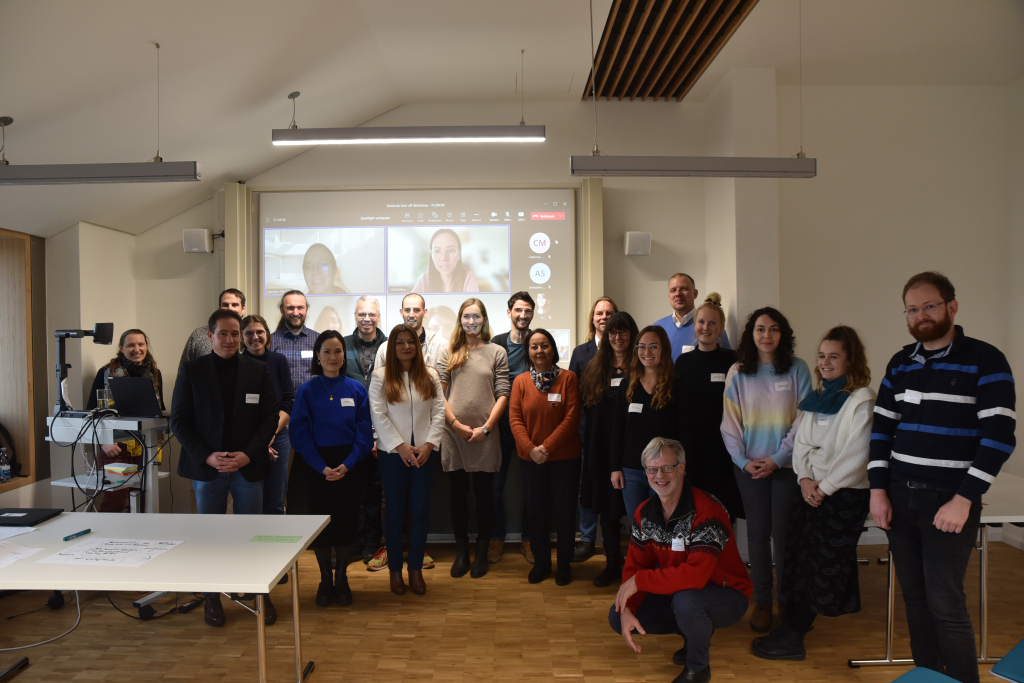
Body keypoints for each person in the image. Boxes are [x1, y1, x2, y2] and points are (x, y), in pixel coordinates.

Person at [868, 272, 1015, 683]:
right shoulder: (900, 364)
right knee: (914, 600)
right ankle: (930, 678)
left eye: (929, 306)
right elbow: (881, 432)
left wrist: (965, 498)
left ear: (952, 306)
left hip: (947, 503)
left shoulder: (986, 361)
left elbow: (999, 437)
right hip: (899, 498)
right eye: (912, 309)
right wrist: (878, 491)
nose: (921, 315)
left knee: (946, 604)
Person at [752, 325, 875, 660]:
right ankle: (791, 626)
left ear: (851, 360)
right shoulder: (816, 398)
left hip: (842, 497)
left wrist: (825, 487)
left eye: (833, 356)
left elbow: (858, 456)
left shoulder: (861, 401)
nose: (824, 363)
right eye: (821, 356)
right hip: (808, 491)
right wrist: (806, 480)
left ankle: (794, 640)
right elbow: (802, 443)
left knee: (818, 567)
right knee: (794, 560)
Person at [608, 438, 752, 683]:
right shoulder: (644, 512)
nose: (659, 476)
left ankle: (698, 668)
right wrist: (628, 606)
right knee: (617, 613)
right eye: (652, 469)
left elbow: (696, 575)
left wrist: (639, 581)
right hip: (681, 590)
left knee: (688, 602)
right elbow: (635, 565)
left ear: (682, 468)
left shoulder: (708, 511)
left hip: (728, 594)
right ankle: (692, 634)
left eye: (667, 468)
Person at [170, 308, 279, 628]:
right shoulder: (193, 370)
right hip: (209, 468)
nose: (230, 339)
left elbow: (269, 419)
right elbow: (179, 420)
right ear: (210, 336)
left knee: (252, 535)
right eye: (224, 334)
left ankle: (260, 593)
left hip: (247, 466)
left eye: (236, 334)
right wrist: (207, 456)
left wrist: (247, 454)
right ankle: (212, 597)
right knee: (212, 537)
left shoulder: (258, 370)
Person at [721, 307, 811, 633]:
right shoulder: (737, 372)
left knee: (784, 536)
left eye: (774, 329)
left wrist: (777, 457)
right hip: (749, 467)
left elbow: (804, 420)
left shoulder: (797, 369)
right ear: (751, 334)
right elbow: (729, 425)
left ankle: (786, 599)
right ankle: (763, 601)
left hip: (786, 466)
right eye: (760, 329)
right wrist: (745, 462)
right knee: (758, 534)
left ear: (782, 334)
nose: (767, 335)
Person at [289, 330, 374, 607]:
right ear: (317, 356)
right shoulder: (307, 390)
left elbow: (363, 433)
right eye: (327, 351)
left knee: (347, 522)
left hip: (349, 465)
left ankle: (342, 577)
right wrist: (322, 467)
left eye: (338, 351)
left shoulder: (356, 389)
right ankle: (325, 579)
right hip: (317, 466)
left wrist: (347, 465)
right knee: (322, 525)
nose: (333, 357)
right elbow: (299, 433)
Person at [369, 325, 445, 596]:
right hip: (393, 455)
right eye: (399, 342)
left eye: (410, 342)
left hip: (424, 454)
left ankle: (415, 570)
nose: (405, 347)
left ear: (417, 345)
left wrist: (429, 445)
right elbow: (378, 414)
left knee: (420, 511)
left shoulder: (431, 375)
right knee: (394, 512)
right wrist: (400, 446)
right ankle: (395, 573)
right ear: (392, 347)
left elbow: (439, 413)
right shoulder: (380, 377)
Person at [437, 298, 510, 579]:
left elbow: (503, 393)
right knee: (457, 496)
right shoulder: (449, 351)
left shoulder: (497, 352)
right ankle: (461, 553)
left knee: (484, 496)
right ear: (460, 320)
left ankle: (481, 553)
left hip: (485, 436)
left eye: (476, 316)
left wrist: (486, 428)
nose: (471, 321)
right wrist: (456, 425)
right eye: (466, 317)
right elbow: (438, 394)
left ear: (484, 319)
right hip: (453, 434)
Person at [509, 329, 581, 585]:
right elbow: (515, 419)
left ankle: (564, 565)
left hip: (564, 459)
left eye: (545, 345)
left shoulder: (568, 378)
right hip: (531, 461)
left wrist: (546, 448)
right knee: (536, 513)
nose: (539, 351)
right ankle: (541, 564)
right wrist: (531, 449)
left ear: (553, 349)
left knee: (565, 513)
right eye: (534, 346)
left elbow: (571, 418)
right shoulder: (520, 382)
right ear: (528, 352)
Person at [672, 294, 743, 520]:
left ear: (721, 328)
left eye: (712, 323)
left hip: (725, 448)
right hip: (691, 449)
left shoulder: (732, 360)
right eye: (702, 322)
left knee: (724, 508)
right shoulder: (683, 363)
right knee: (694, 507)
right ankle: (697, 555)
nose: (706, 327)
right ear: (695, 326)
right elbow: (676, 407)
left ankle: (724, 555)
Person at [580, 312, 638, 587]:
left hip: (632, 446)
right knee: (607, 508)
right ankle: (613, 562)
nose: (617, 338)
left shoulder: (641, 365)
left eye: (623, 332)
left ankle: (640, 565)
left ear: (632, 334)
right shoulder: (595, 367)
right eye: (613, 333)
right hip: (601, 448)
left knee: (639, 510)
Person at [610, 325, 684, 522]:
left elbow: (684, 433)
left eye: (653, 347)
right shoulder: (627, 386)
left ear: (664, 350)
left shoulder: (676, 387)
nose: (647, 352)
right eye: (641, 347)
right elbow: (617, 430)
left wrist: (681, 468)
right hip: (632, 470)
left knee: (663, 526)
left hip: (665, 471)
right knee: (638, 528)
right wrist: (615, 468)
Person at [86, 329, 165, 513]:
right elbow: (92, 411)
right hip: (114, 446)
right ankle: (107, 541)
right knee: (115, 501)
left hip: (146, 445)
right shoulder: (106, 372)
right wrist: (105, 441)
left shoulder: (154, 373)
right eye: (131, 345)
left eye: (141, 344)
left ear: (146, 346)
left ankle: (138, 540)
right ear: (121, 348)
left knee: (142, 500)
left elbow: (158, 409)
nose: (136, 349)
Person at [568, 296, 618, 563]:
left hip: (617, 435)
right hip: (587, 434)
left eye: (609, 313)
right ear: (593, 318)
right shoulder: (581, 353)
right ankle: (587, 540)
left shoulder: (625, 352)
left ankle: (616, 547)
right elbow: (573, 395)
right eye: (599, 313)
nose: (604, 317)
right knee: (586, 489)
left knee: (614, 489)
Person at [489, 292, 536, 564]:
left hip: (531, 429)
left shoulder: (538, 342)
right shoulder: (496, 344)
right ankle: (497, 538)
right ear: (509, 313)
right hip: (500, 428)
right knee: (496, 488)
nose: (523, 315)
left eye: (528, 311)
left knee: (531, 487)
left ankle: (528, 539)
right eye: (518, 310)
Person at [343, 295, 388, 565]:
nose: (367, 319)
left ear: (379, 317)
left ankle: (372, 542)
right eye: (362, 314)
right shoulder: (343, 345)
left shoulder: (389, 345)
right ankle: (352, 542)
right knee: (351, 491)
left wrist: (376, 434)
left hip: (382, 430)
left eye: (371, 314)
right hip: (349, 431)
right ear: (356, 316)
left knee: (374, 490)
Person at [240, 315, 295, 517]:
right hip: (247, 440)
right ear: (241, 337)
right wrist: (260, 441)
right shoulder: (237, 363)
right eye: (249, 333)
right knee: (250, 500)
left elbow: (288, 400)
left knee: (276, 499)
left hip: (278, 437)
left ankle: (275, 546)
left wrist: (270, 434)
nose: (255, 337)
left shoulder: (278, 361)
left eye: (260, 332)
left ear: (267, 334)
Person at [271, 290, 319, 515]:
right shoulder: (271, 341)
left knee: (309, 477)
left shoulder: (318, 340)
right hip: (281, 421)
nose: (296, 312)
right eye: (290, 308)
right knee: (281, 479)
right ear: (282, 310)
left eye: (300, 307)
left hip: (313, 420)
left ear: (306, 309)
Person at [654, 273, 730, 362]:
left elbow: (727, 362)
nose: (678, 293)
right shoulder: (658, 327)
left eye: (684, 289)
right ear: (669, 296)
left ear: (695, 293)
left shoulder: (710, 328)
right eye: (673, 290)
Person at [177, 288, 245, 382]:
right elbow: (183, 371)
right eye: (225, 305)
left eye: (235, 305)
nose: (230, 308)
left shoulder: (251, 336)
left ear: (243, 308)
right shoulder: (198, 335)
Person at [373, 293, 449, 372]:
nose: (411, 315)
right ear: (401, 312)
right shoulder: (385, 348)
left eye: (416, 310)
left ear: (425, 312)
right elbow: (378, 379)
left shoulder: (441, 345)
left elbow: (444, 382)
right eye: (407, 310)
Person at [412, 228, 479, 293]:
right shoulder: (424, 279)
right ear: (431, 256)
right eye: (437, 251)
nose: (443, 258)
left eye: (450, 250)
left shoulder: (468, 276)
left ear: (459, 255)